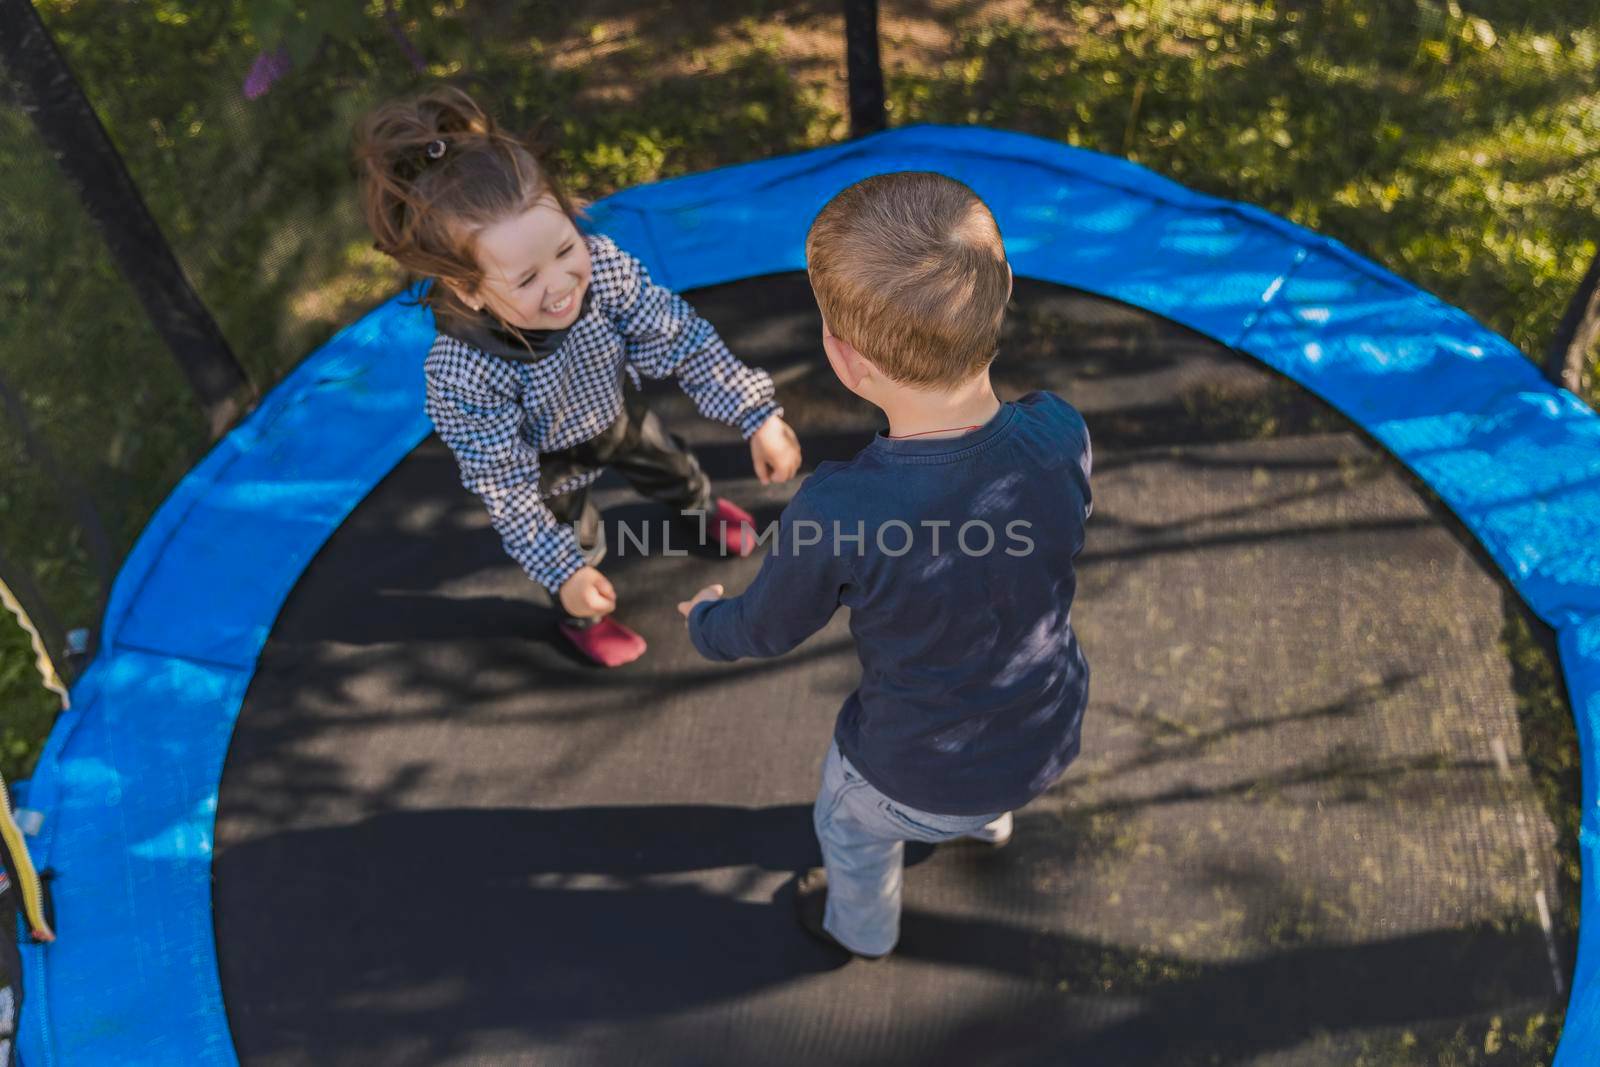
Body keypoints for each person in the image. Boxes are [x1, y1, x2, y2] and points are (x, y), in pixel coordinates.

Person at [679, 171, 1092, 958]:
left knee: (847, 826)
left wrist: (705, 623)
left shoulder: (840, 509)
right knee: (987, 734)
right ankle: (989, 819)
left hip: (909, 774)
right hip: (1047, 731)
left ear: (844, 357)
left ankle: (861, 931)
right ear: (1002, 294)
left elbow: (762, 629)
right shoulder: (1060, 432)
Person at [354, 87, 802, 666]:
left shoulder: (604, 268)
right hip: (546, 465)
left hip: (612, 410)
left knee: (674, 466)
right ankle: (580, 612)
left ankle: (699, 509)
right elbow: (506, 490)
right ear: (468, 289)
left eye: (566, 248)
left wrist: (756, 414)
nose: (562, 284)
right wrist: (564, 571)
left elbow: (679, 336)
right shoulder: (463, 375)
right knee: (577, 540)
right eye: (526, 280)